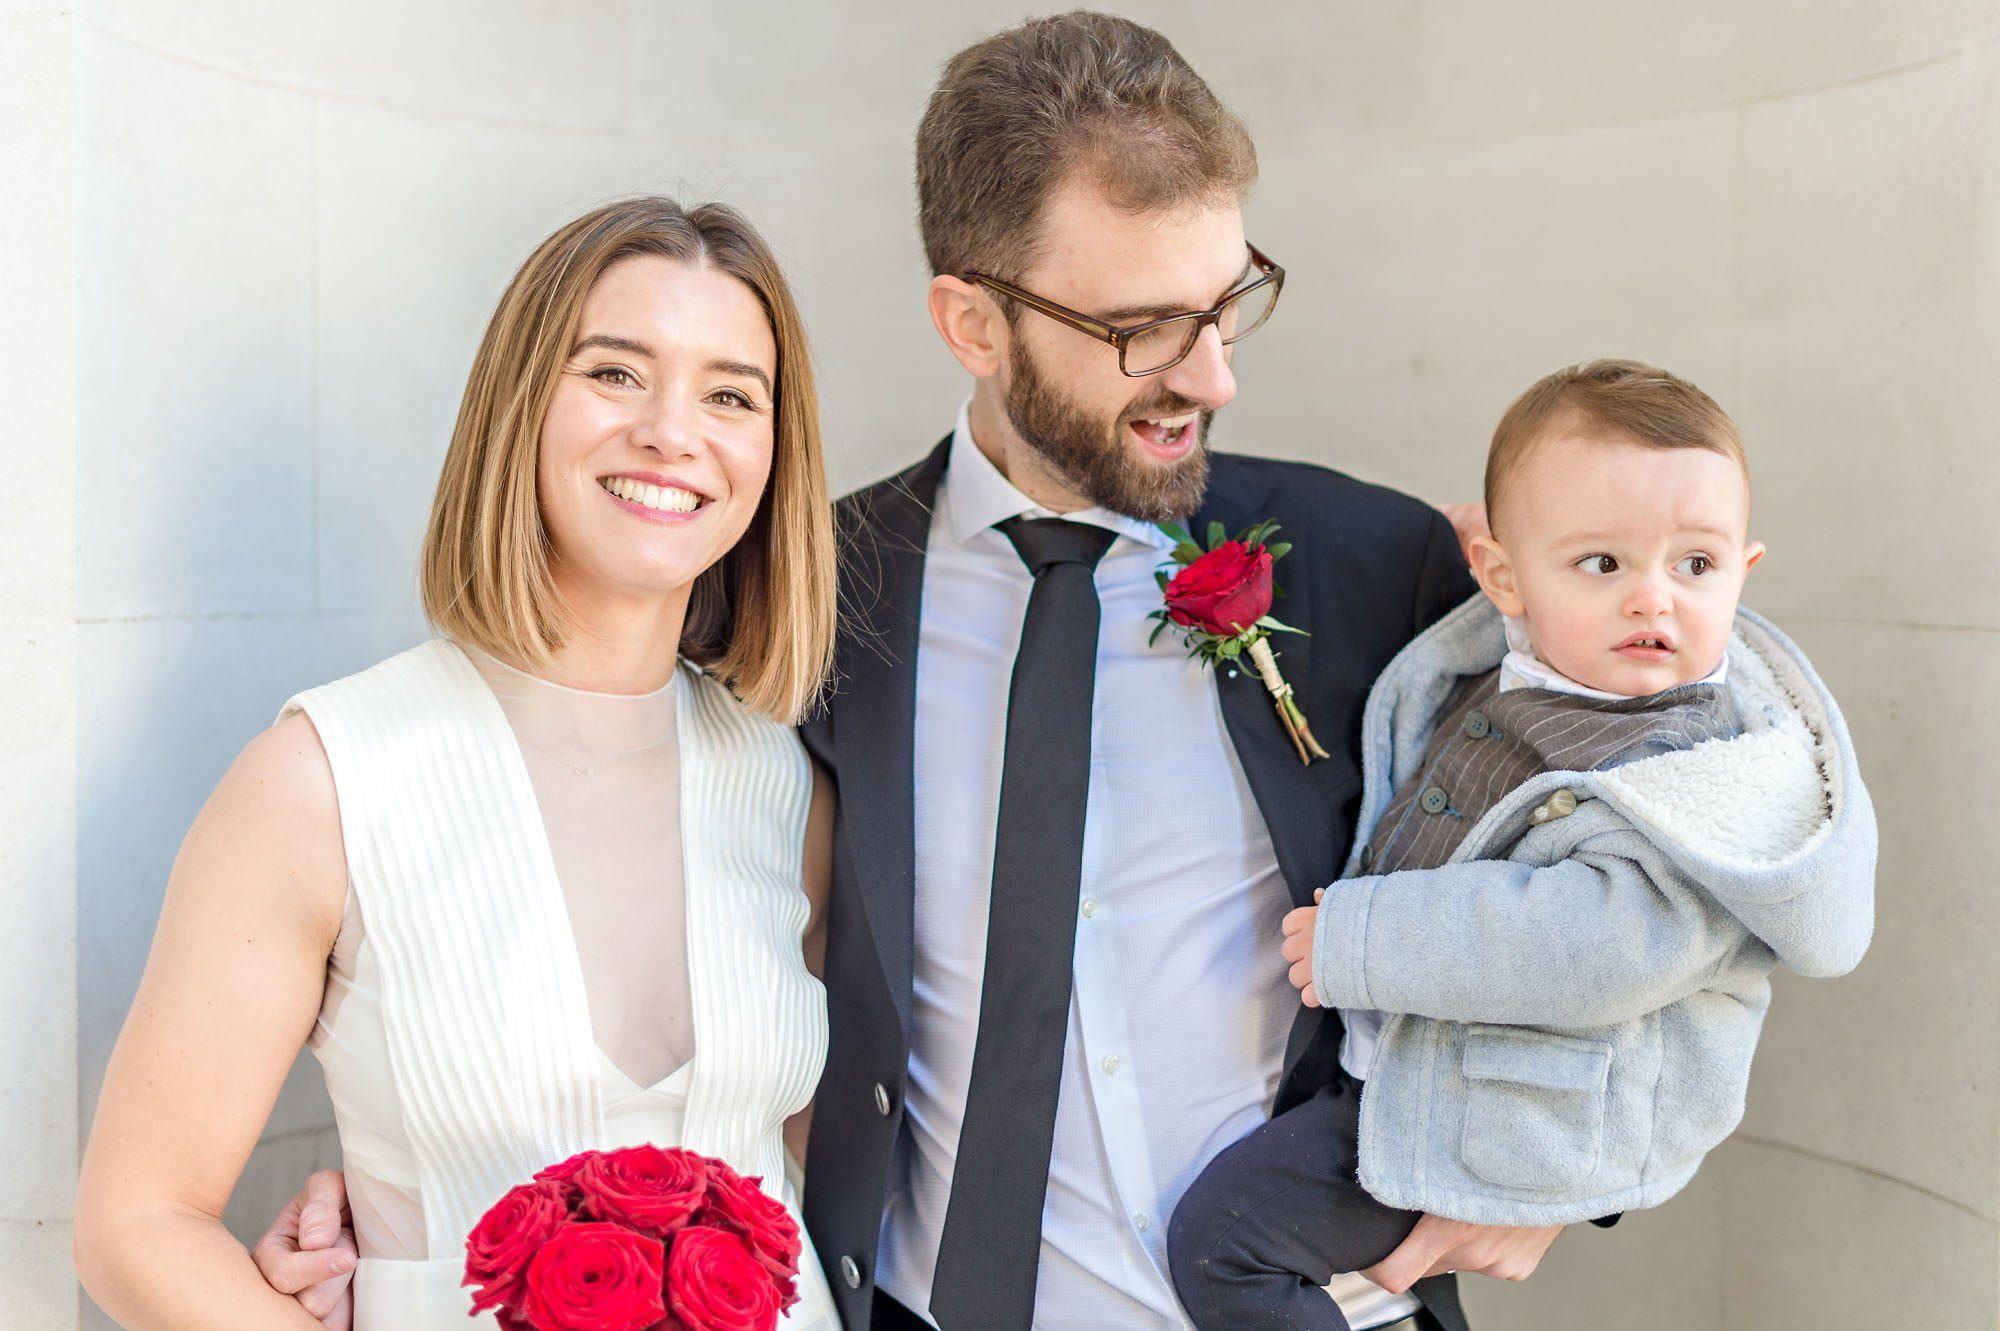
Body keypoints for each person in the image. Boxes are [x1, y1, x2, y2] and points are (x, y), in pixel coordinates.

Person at [255, 15, 1565, 1330]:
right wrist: (417, 1171)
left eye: (1228, 303)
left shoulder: (1377, 563)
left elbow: (1644, 837)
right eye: (1145, 329)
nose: (1212, 373)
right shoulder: (790, 599)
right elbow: (644, 933)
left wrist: (1565, 1143)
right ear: (974, 322)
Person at [73, 196, 844, 1329]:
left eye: (730, 394)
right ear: (518, 405)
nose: (673, 432)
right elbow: (135, 1221)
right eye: (616, 373)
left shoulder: (788, 785)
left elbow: (812, 1182)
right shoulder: (325, 778)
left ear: (771, 455)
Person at [1166, 359, 1877, 1329]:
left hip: (1508, 1112)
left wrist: (1363, 943)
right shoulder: (1538, 668)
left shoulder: (1703, 774)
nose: (1651, 598)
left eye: (1694, 563)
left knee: (1222, 1244)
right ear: (1503, 575)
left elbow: (1599, 941)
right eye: (1601, 562)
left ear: (1742, 571)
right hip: (1432, 1059)